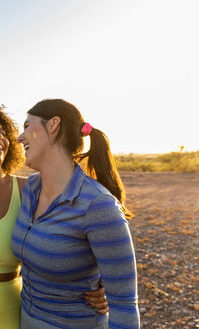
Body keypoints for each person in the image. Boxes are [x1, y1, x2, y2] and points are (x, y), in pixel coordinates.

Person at [0, 102, 108, 329]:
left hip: (13, 307)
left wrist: (101, 282)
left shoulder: (31, 191)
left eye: (3, 133)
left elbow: (76, 228)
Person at [12, 99, 140, 328]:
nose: (20, 138)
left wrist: (106, 285)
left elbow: (125, 306)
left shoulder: (98, 205)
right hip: (25, 318)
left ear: (53, 125)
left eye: (27, 126)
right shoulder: (30, 189)